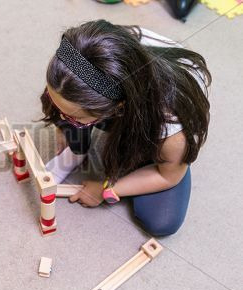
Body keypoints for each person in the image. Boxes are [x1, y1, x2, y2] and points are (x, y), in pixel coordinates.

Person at [42, 20, 211, 236]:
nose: (62, 118)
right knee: (68, 98)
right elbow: (66, 91)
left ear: (118, 108)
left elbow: (168, 176)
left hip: (151, 119)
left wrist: (107, 189)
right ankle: (77, 146)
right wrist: (64, 125)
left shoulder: (172, 131)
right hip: (120, 99)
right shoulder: (86, 57)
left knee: (161, 222)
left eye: (73, 117)